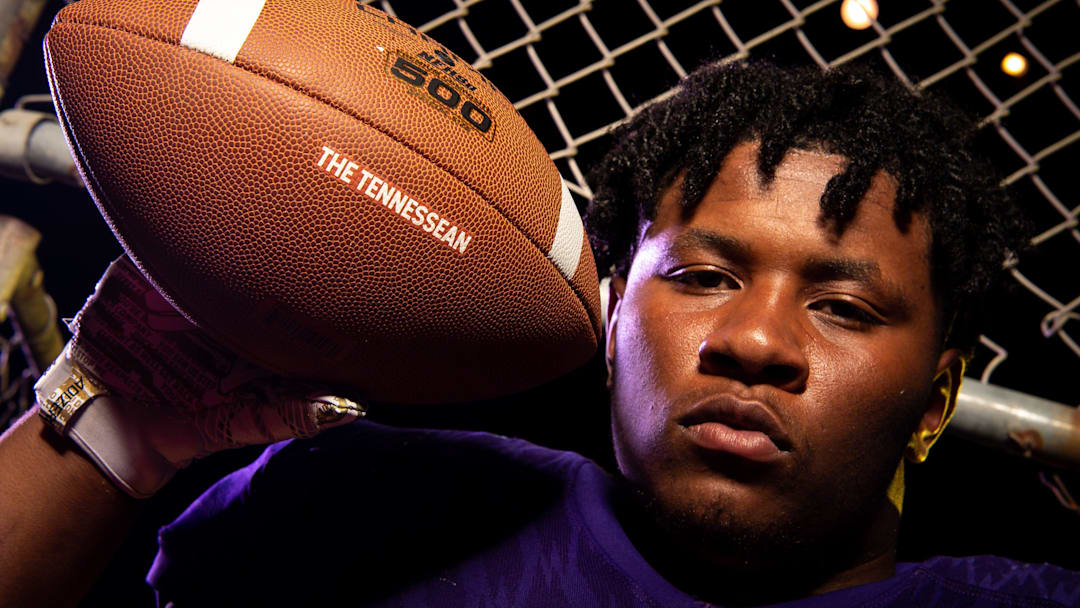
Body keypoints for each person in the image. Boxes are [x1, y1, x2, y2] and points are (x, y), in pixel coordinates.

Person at [1, 60, 1077, 607]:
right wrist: (116, 417)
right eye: (702, 275)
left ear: (937, 398)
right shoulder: (383, 501)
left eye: (841, 306)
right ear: (613, 319)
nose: (756, 339)